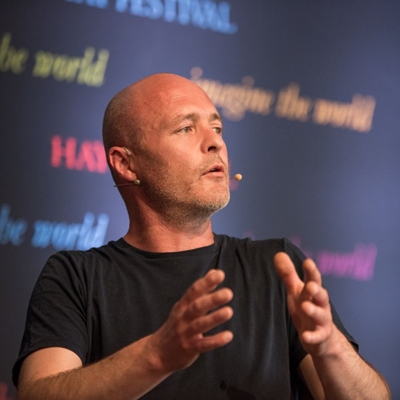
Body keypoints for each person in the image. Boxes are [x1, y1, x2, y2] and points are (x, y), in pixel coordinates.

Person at [13, 73, 390, 400]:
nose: (215, 143)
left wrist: (330, 347)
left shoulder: (278, 267)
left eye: (217, 128)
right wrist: (156, 356)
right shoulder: (75, 277)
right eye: (186, 128)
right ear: (126, 163)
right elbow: (37, 393)